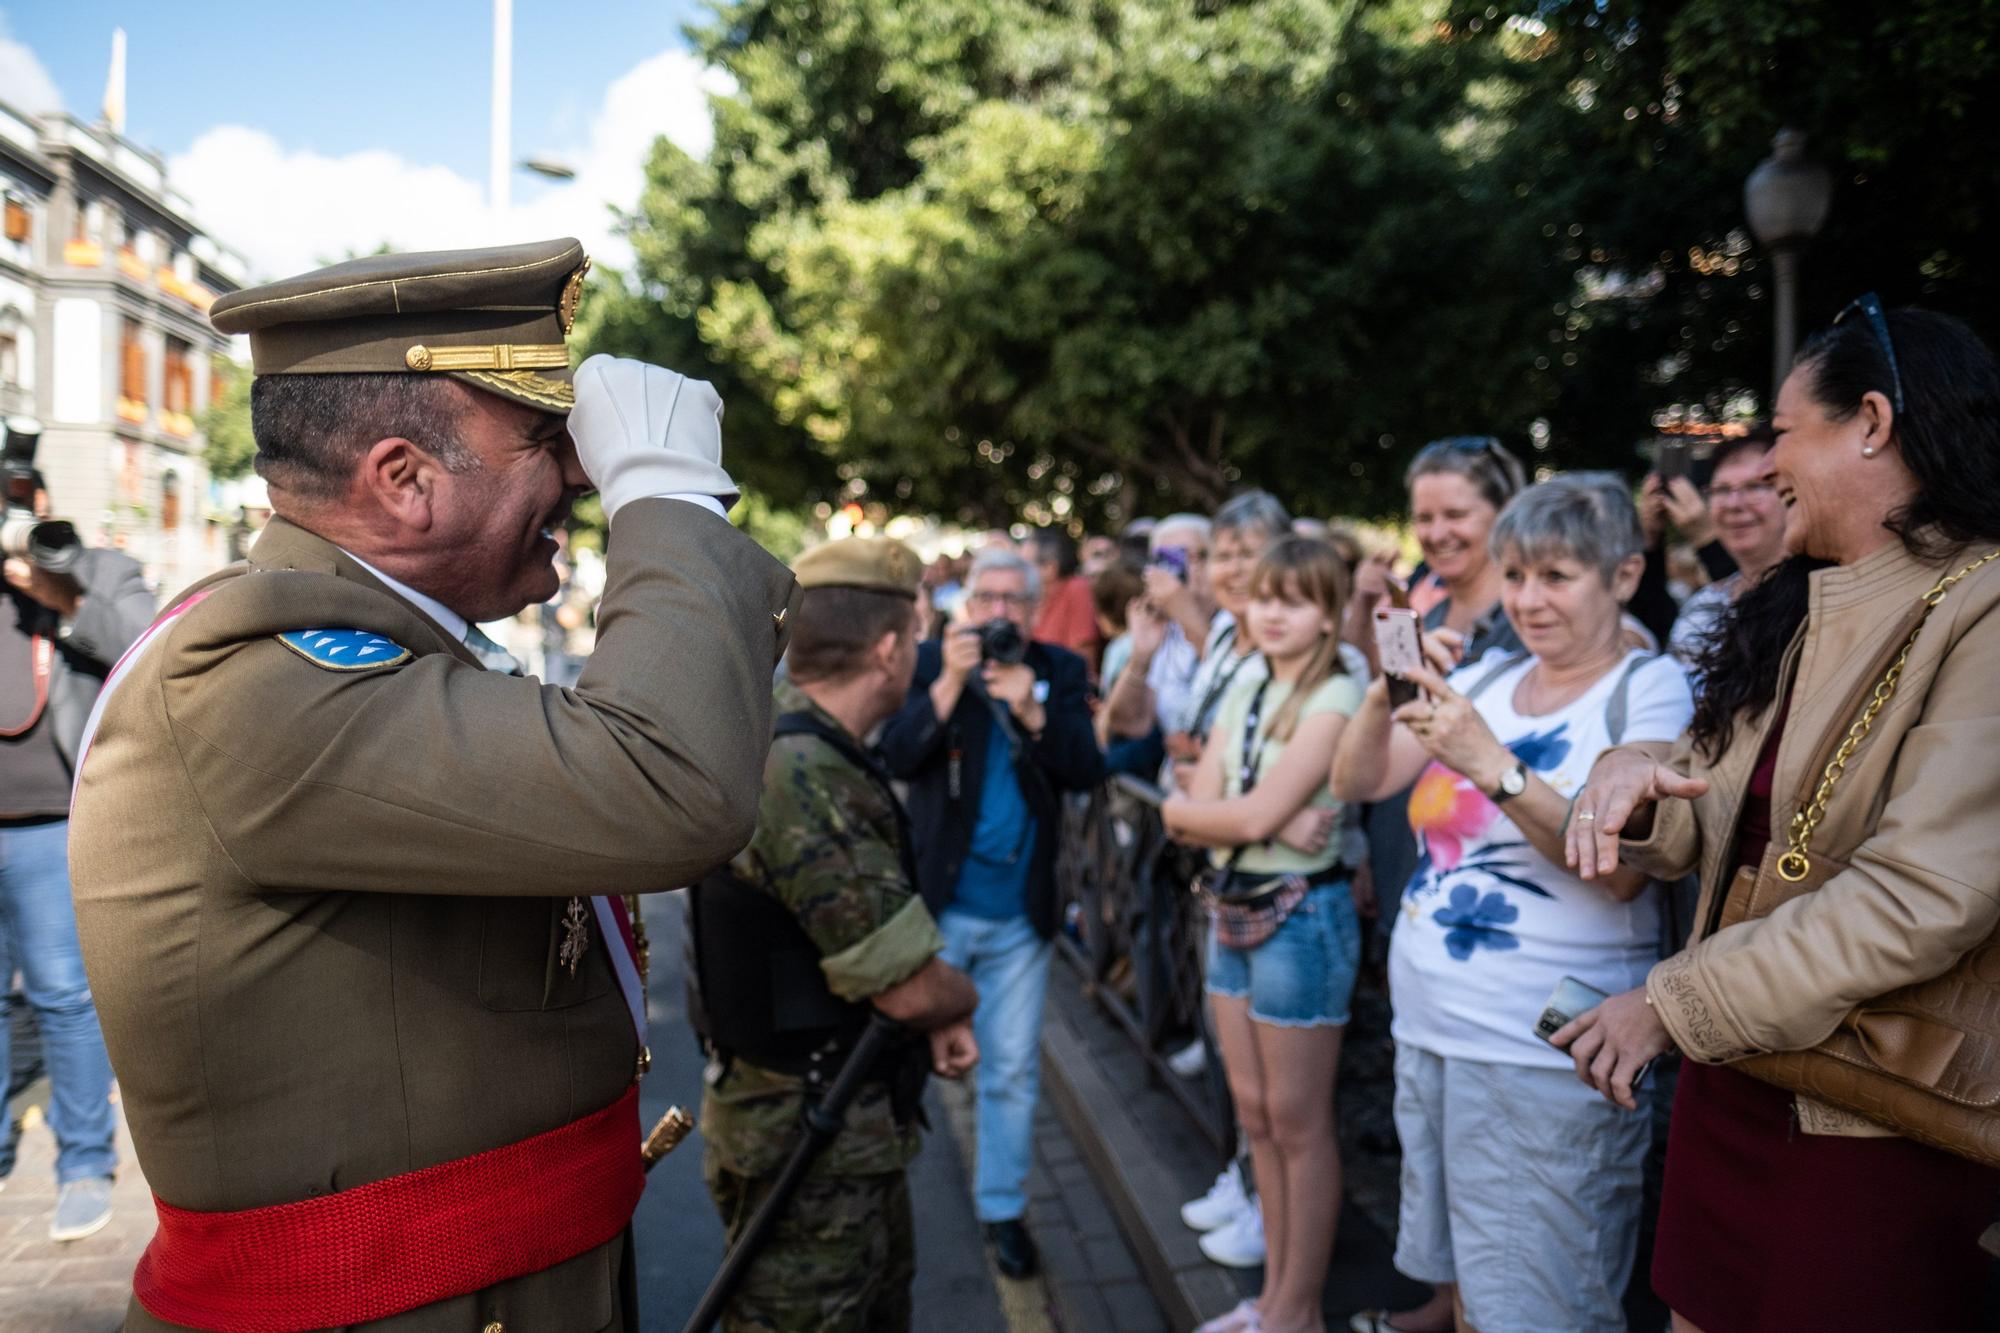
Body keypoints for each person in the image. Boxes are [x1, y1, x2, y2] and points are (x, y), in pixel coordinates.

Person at [66, 239, 799, 1332]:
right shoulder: (254, 684)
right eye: (547, 444)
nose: (577, 478)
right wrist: (669, 490)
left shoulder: (378, 652)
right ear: (404, 480)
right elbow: (668, 780)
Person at [1562, 302, 2000, 1333]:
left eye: (1782, 432)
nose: (1764, 468)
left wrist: (1667, 1004)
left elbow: (1922, 896)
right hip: (1742, 1071)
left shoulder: (1982, 609)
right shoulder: (1814, 599)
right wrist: (1634, 776)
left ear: (1870, 422)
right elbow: (1732, 796)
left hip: (1872, 1115)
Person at [1332, 474, 1693, 1333]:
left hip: (1540, 1055)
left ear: (1624, 576)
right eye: (1518, 576)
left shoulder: (1650, 689)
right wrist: (1391, 694)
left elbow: (1623, 872)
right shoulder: (1491, 675)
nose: (1529, 600)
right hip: (1434, 1034)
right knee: (1474, 1299)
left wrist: (1490, 761)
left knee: (1544, 1306)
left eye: (1557, 576)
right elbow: (1357, 780)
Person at [692, 535, 979, 1333]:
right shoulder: (804, 770)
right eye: (915, 635)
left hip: (827, 1123)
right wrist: (960, 999)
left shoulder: (782, 729)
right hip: (806, 1138)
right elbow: (910, 984)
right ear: (889, 649)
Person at [879, 547, 1104, 1278]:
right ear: (967, 604)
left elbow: (1086, 770)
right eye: (989, 599)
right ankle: (881, 1193)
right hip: (940, 911)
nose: (1001, 613)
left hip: (1020, 918)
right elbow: (896, 758)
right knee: (905, 1055)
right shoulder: (928, 663)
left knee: (1010, 1069)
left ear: (1036, 610)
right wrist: (948, 681)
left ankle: (1002, 1207)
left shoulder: (1061, 671)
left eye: (1015, 600)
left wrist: (1033, 709)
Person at [1163, 537, 1365, 1333]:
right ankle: (1276, 1298)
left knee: (1298, 1120)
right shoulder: (1249, 673)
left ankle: (1298, 1309)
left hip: (1304, 916)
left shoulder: (1339, 692)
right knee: (1255, 1116)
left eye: (1298, 598)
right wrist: (1212, 813)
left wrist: (1191, 812)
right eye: (1266, 596)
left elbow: (1230, 813)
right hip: (1234, 905)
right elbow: (1224, 807)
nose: (1275, 612)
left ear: (1328, 612)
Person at [0, 469, 152, 1241]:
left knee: (63, 995)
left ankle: (84, 1163)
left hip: (48, 823)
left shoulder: (90, 567)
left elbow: (148, 646)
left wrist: (64, 595)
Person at [1651, 432, 1785, 662]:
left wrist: (1705, 539)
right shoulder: (1702, 605)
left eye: (1754, 487)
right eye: (1721, 490)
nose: (1734, 504)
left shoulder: (1816, 599)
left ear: (1790, 492)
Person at [1101, 513, 1219, 743]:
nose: (1174, 569)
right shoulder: (1167, 631)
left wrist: (1186, 614)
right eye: (1164, 559)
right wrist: (1141, 656)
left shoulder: (1236, 619)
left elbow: (1233, 680)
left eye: (1191, 556)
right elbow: (1130, 723)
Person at [1029, 527, 1102, 673]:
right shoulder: (1035, 598)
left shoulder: (1076, 589)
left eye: (1024, 565)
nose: (1017, 571)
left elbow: (1084, 656)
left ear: (1049, 568)